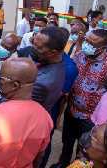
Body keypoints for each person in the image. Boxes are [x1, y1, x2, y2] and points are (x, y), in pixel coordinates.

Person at [51, 29, 107, 168]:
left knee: (84, 146)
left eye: (92, 44)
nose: (87, 45)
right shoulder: (79, 55)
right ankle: (63, 163)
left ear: (103, 47)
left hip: (89, 116)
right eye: (87, 41)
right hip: (71, 109)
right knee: (66, 141)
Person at [40, 27, 79, 168]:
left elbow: (55, 96)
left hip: (48, 112)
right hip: (34, 110)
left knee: (43, 146)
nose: (35, 49)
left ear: (53, 50)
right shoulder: (45, 58)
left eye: (39, 47)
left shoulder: (69, 68)